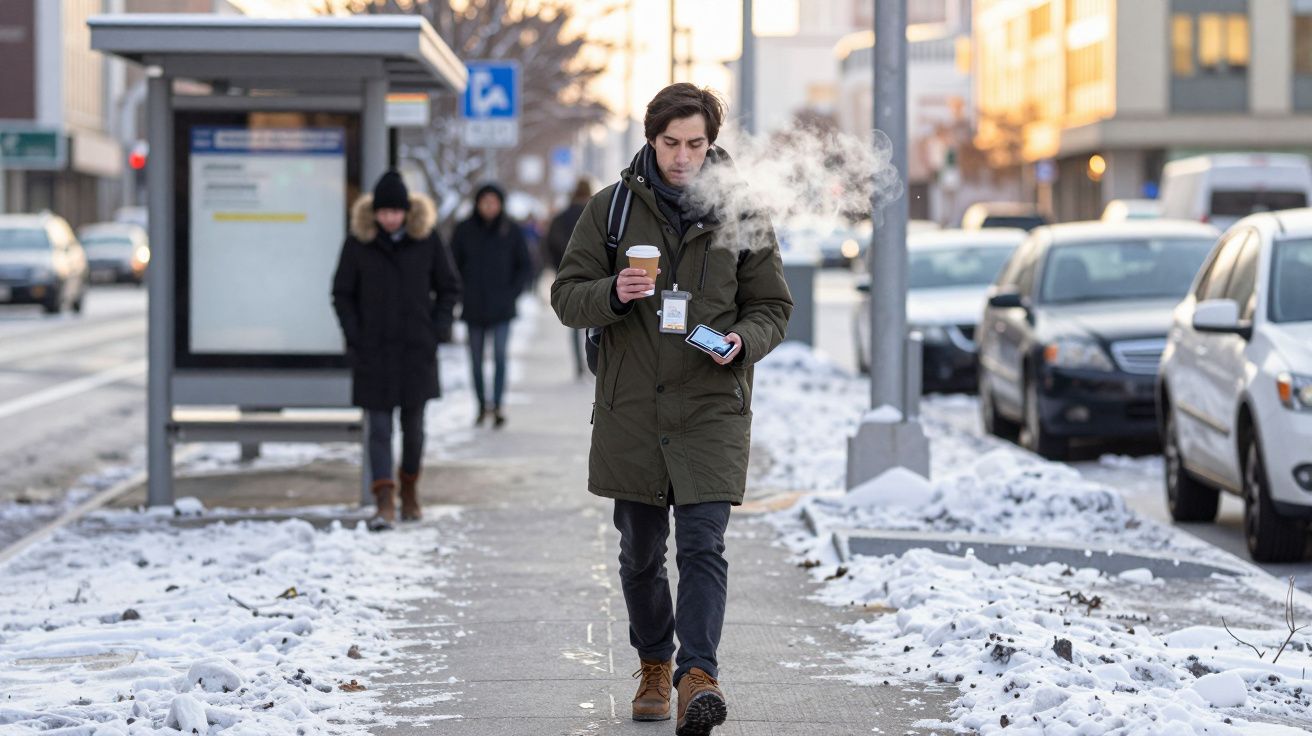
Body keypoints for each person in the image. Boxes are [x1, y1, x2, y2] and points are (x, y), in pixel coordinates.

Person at [550, 84, 792, 735]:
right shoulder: (611, 210)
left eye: (696, 144)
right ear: (651, 138)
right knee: (640, 552)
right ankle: (655, 662)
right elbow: (566, 297)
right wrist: (614, 292)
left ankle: (698, 675)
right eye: (670, 143)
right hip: (632, 409)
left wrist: (745, 340)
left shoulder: (743, 212)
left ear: (710, 142)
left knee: (704, 545)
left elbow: (773, 306)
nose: (683, 157)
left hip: (711, 405)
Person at [332, 171, 461, 530]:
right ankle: (384, 501)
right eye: (383, 212)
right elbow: (341, 293)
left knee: (414, 428)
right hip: (372, 352)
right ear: (373, 212)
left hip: (416, 351)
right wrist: (354, 335)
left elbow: (449, 287)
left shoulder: (427, 240)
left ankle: (409, 490)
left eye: (395, 212)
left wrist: (437, 329)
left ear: (407, 211)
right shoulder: (358, 243)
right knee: (378, 429)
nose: (389, 218)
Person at [451, 183, 532, 428]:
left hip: (502, 308)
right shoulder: (464, 230)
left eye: (493, 201)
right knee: (475, 360)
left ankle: (497, 405)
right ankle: (479, 405)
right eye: (484, 201)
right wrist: (460, 293)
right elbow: (451, 265)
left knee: (499, 357)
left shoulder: (511, 230)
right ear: (477, 204)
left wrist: (512, 293)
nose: (489, 206)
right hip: (473, 306)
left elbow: (525, 265)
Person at [545, 178, 594, 378]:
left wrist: (561, 267)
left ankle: (579, 365)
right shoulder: (596, 212)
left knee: (574, 321)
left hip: (570, 275)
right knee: (594, 318)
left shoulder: (562, 217)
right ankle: (592, 359)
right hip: (594, 273)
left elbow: (551, 243)